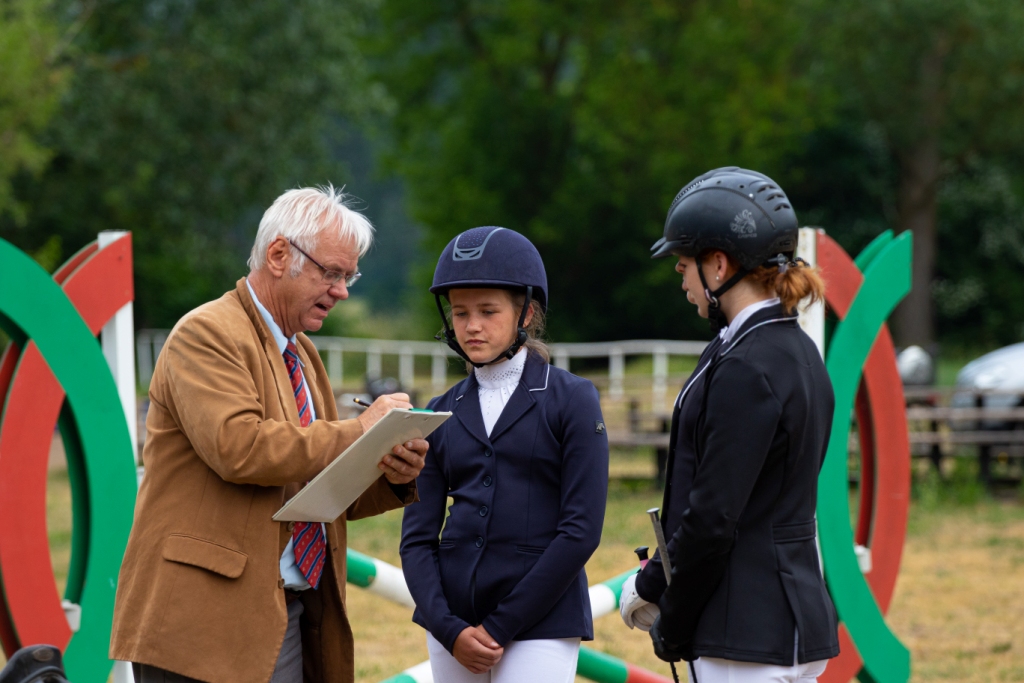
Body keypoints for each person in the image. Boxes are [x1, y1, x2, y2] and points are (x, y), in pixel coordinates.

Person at [110, 186, 429, 683]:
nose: (343, 291)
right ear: (279, 255)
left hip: (287, 612)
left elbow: (319, 487)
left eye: (349, 276)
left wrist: (389, 469)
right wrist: (359, 431)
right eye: (332, 273)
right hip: (198, 624)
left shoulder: (303, 354)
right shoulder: (205, 333)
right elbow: (240, 448)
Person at [618, 168, 839, 682]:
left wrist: (672, 616)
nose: (680, 276)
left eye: (684, 263)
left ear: (718, 265)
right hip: (792, 620)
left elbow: (714, 517)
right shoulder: (798, 350)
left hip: (743, 634)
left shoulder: (746, 365)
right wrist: (655, 584)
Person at [400, 226, 609, 683]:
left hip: (542, 618)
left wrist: (500, 625)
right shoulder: (438, 411)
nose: (471, 326)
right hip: (453, 622)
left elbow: (581, 531)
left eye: (488, 311)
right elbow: (416, 538)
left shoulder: (573, 399)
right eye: (460, 313)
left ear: (526, 312)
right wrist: (448, 628)